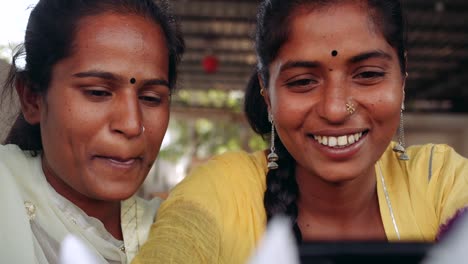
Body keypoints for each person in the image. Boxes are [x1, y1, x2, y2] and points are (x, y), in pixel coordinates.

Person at [133, 0, 468, 263]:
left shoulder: (439, 179)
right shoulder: (221, 194)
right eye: (303, 82)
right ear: (267, 92)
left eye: (367, 74)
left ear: (403, 77)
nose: (336, 109)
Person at [0, 0, 184, 263]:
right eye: (98, 92)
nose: (132, 124)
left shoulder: (181, 234)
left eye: (151, 98)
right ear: (32, 98)